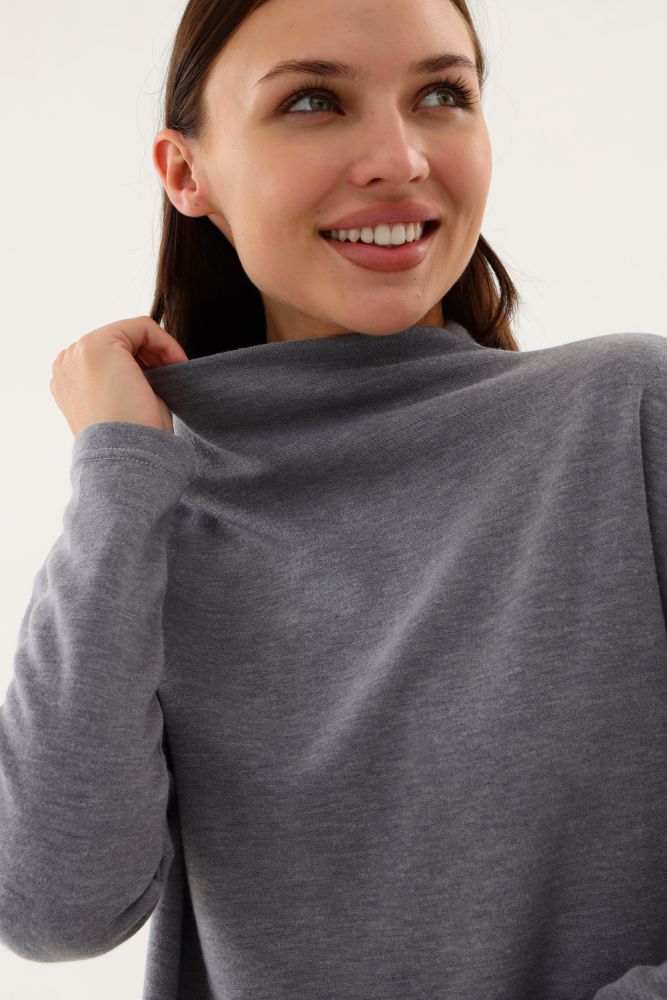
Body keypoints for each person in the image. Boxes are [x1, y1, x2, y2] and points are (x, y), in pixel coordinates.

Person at [0, 1, 665, 999]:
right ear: (185, 172)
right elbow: (54, 910)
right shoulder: (146, 517)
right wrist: (117, 471)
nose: (399, 157)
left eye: (441, 94)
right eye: (313, 101)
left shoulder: (627, 416)